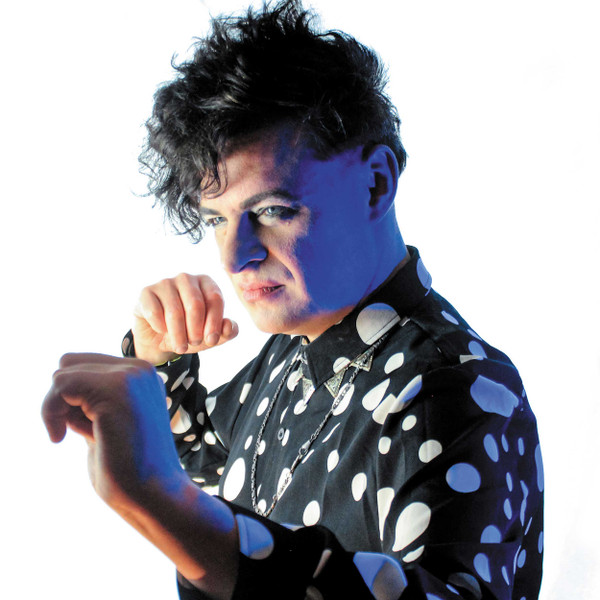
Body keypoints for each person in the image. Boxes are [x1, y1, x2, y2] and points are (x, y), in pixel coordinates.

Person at [42, 1, 543, 599]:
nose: (235, 257)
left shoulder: (452, 388)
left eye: (273, 210)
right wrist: (160, 366)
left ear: (376, 182)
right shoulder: (297, 350)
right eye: (217, 219)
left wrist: (163, 501)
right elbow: (214, 466)